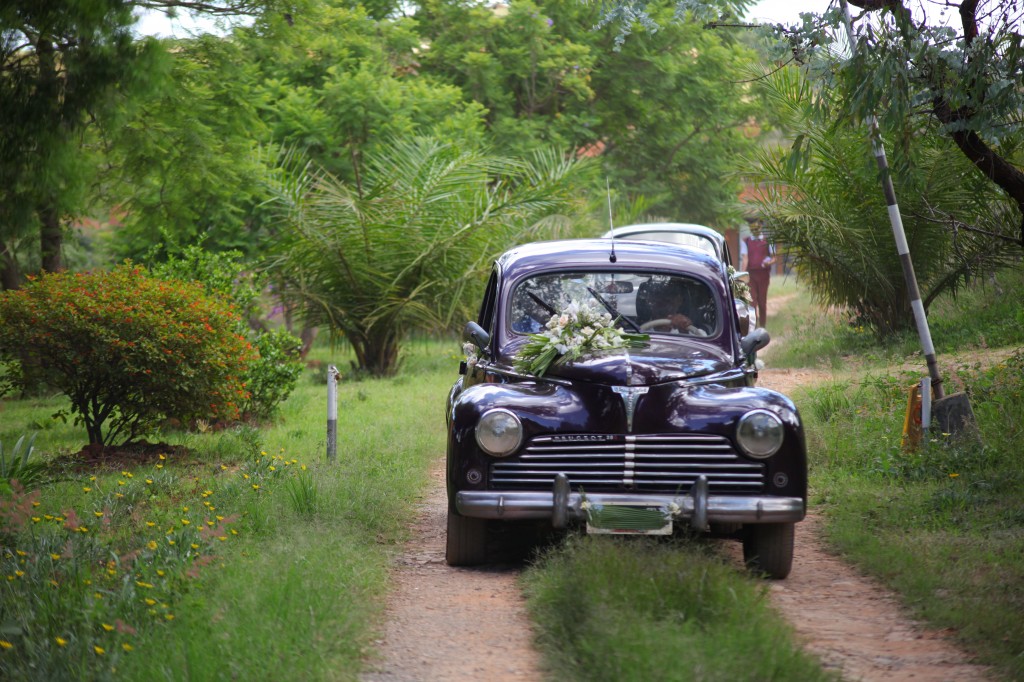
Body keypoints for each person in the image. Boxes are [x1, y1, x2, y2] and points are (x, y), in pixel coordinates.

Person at [739, 220, 775, 328]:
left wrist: (768, 262)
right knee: (752, 302)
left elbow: (774, 258)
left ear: (760, 227)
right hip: (751, 275)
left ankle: (763, 327)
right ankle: (753, 327)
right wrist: (742, 275)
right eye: (752, 227)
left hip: (764, 275)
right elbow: (745, 259)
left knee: (762, 302)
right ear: (750, 228)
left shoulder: (768, 240)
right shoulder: (746, 241)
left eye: (757, 227)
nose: (754, 229)